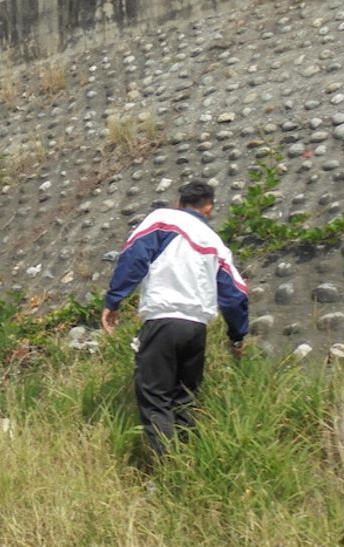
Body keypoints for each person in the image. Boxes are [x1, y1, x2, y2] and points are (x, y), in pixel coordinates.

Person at [101, 180, 249, 463]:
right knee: (184, 400)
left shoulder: (162, 219)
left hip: (163, 322)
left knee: (155, 398)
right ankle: (192, 462)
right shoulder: (214, 241)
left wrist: (114, 301)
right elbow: (235, 294)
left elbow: (134, 257)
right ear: (210, 208)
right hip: (196, 329)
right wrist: (237, 335)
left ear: (179, 202)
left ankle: (168, 470)